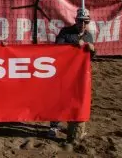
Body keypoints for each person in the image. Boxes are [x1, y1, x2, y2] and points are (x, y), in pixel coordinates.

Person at [51, 8, 95, 142]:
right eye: (80, 21)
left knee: (77, 99)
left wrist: (92, 49)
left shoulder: (88, 35)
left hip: (79, 75)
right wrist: (73, 44)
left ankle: (74, 125)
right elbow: (57, 47)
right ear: (75, 20)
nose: (82, 24)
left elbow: (89, 57)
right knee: (59, 98)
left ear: (88, 22)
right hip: (63, 72)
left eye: (85, 21)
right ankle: (54, 126)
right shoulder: (65, 32)